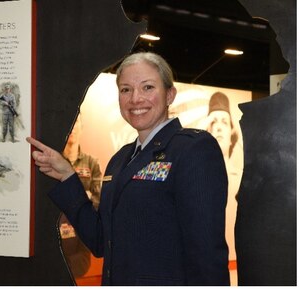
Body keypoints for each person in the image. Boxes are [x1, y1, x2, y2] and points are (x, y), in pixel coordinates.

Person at [27, 52, 230, 285]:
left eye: (148, 87)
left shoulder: (193, 149)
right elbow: (101, 240)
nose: (135, 99)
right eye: (125, 89)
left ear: (169, 95)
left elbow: (206, 252)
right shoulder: (120, 159)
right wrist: (67, 176)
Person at [59, 113, 103, 278]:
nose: (72, 127)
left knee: (79, 270)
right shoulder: (52, 162)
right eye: (68, 122)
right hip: (57, 236)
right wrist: (83, 196)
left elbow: (99, 202)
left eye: (76, 122)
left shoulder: (91, 163)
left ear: (82, 128)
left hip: (82, 237)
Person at [205, 91, 242, 264]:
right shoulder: (196, 176)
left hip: (237, 262)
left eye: (224, 122)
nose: (218, 127)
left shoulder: (242, 178)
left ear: (231, 133)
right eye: (213, 122)